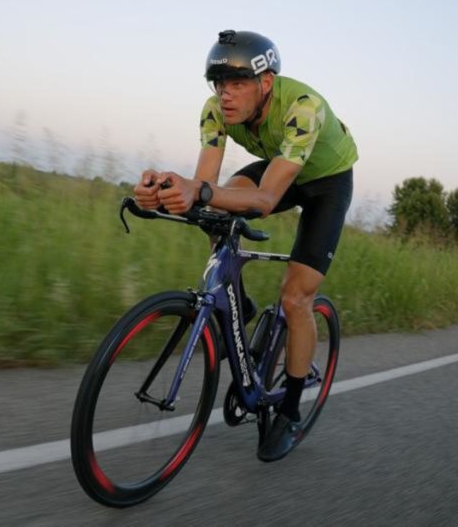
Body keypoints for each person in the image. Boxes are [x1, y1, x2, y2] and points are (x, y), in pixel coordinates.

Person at [133, 29, 357, 462]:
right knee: (213, 210)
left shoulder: (302, 109)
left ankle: (290, 410)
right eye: (220, 85)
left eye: (237, 84)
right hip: (280, 164)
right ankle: (241, 305)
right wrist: (162, 192)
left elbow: (266, 199)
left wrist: (198, 191)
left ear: (266, 83)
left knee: (295, 298)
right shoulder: (215, 111)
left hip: (325, 182)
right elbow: (206, 184)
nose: (226, 96)